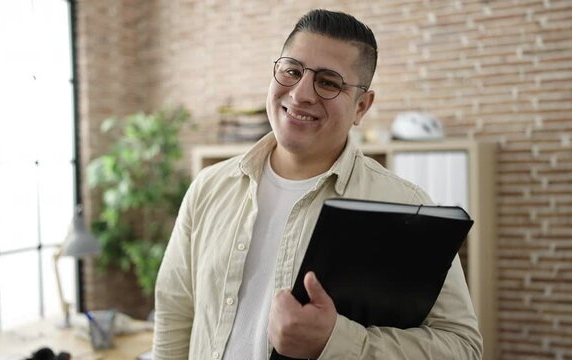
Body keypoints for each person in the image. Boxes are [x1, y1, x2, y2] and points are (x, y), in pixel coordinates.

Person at [153, 9, 482, 360]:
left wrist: (336, 342)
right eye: (292, 71)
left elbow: (462, 347)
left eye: (328, 82)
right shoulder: (209, 187)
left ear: (361, 107)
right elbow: (175, 312)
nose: (301, 94)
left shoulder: (405, 204)